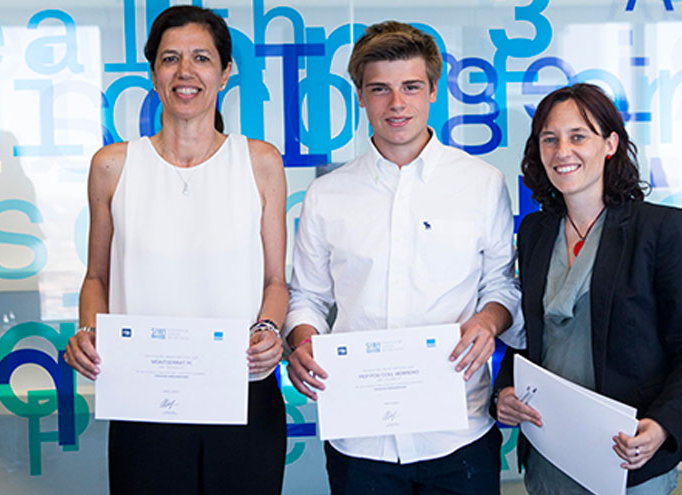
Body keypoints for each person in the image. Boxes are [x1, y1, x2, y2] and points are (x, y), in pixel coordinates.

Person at [284, 20, 521, 495]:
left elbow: (501, 285)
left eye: (411, 87)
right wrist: (303, 341)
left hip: (459, 431)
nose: (396, 103)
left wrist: (488, 321)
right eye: (380, 89)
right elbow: (307, 296)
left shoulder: (482, 183)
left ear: (433, 91)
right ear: (360, 96)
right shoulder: (327, 195)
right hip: (360, 438)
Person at [63, 6, 288, 493]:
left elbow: (275, 282)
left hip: (242, 392)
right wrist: (87, 330)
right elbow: (97, 277)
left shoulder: (260, 161)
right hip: (143, 399)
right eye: (170, 59)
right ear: (153, 73)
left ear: (225, 73)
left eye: (201, 58)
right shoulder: (112, 165)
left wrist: (269, 330)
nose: (185, 72)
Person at [493, 83, 682, 494]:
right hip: (549, 452)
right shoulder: (535, 231)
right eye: (550, 139)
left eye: (578, 136)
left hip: (628, 453)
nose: (562, 151)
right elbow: (529, 336)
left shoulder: (660, 229)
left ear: (610, 144)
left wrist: (662, 425)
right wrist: (504, 390)